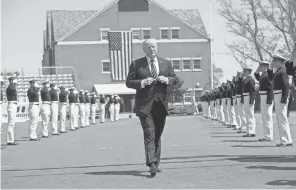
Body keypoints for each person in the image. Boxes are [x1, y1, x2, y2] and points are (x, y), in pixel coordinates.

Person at [126, 39, 178, 177]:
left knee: (157, 134)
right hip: (145, 105)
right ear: (144, 49)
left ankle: (156, 161)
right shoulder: (136, 64)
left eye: (154, 46)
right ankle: (152, 164)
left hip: (161, 104)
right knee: (149, 133)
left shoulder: (166, 63)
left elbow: (174, 79)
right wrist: (142, 82)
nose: (152, 49)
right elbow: (129, 82)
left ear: (157, 48)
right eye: (149, 47)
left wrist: (166, 80)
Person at [268, 53, 292, 146]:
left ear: (280, 62)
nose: (273, 61)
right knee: (280, 118)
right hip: (277, 94)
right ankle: (286, 140)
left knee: (282, 118)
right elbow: (270, 79)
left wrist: (284, 98)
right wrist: (270, 68)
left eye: (275, 60)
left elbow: (286, 85)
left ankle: (286, 141)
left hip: (281, 95)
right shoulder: (277, 70)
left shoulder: (283, 71)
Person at [254, 61, 274, 142]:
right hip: (263, 96)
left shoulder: (267, 75)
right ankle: (266, 135)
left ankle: (268, 136)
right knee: (264, 116)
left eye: (261, 66)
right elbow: (259, 79)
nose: (260, 68)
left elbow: (270, 87)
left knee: (267, 116)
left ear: (266, 67)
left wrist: (269, 100)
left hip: (266, 97)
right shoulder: (263, 75)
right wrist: (256, 71)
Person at [241, 67, 256, 137]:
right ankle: (248, 131)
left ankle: (252, 131)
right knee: (247, 115)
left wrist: (251, 100)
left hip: (249, 97)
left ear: (249, 72)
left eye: (245, 71)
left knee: (250, 115)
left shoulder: (250, 79)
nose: (244, 72)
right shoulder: (246, 79)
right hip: (246, 97)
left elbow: (253, 91)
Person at [6, 75, 19, 145]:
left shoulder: (12, 87)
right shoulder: (10, 87)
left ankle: (11, 139)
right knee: (11, 123)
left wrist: (14, 84)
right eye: (13, 80)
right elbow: (12, 90)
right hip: (11, 104)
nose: (15, 81)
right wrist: (14, 84)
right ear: (11, 81)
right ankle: (10, 140)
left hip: (13, 104)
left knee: (12, 123)